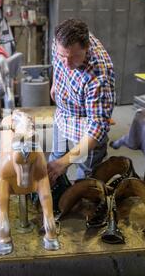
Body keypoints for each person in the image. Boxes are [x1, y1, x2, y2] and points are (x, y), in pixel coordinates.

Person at [47, 19, 115, 185]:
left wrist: (64, 163)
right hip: (63, 113)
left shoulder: (99, 75)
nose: (67, 64)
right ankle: (56, 193)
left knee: (86, 175)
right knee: (55, 159)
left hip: (87, 123)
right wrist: (55, 84)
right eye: (63, 56)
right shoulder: (60, 43)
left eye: (75, 57)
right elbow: (58, 61)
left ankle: (82, 199)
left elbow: (96, 129)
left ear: (86, 48)